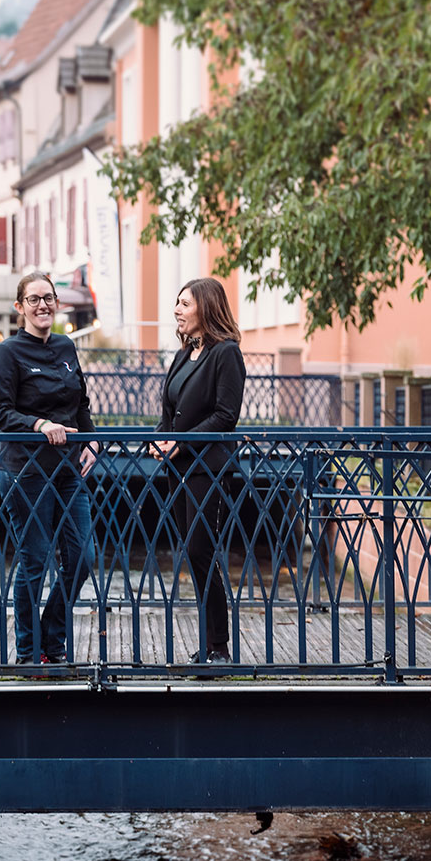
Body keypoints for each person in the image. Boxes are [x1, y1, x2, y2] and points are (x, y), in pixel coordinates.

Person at [0, 271, 98, 664]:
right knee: (34, 559)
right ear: (20, 308)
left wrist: (92, 439)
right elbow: (0, 412)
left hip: (68, 470)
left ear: (57, 303)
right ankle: (29, 652)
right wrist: (40, 425)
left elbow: (81, 402)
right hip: (25, 471)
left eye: (48, 298)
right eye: (33, 299)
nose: (42, 305)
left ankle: (53, 638)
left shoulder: (67, 347)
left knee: (82, 556)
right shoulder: (8, 353)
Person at [150, 277, 247, 664]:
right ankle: (208, 643)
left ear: (205, 307)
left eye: (184, 304)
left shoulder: (226, 354)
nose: (177, 309)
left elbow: (226, 416)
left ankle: (219, 647)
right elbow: (167, 412)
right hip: (178, 468)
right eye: (176, 302)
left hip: (207, 468)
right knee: (191, 553)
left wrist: (181, 441)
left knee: (200, 550)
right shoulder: (182, 354)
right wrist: (160, 438)